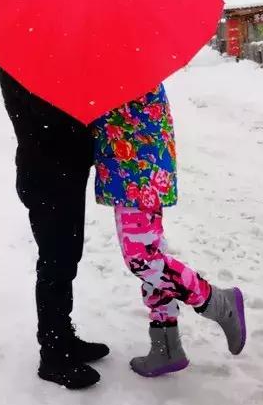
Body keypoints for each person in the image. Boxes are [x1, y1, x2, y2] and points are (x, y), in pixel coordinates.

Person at [92, 82, 246, 376]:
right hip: (130, 170)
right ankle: (166, 346)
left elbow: (121, 115)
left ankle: (218, 302)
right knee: (151, 255)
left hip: (138, 171)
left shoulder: (124, 68)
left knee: (143, 259)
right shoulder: (124, 63)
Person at [0, 67, 109, 389]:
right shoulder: (24, 66)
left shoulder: (41, 62)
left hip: (60, 173)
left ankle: (62, 335)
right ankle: (53, 353)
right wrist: (88, 112)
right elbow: (54, 123)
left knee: (66, 258)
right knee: (56, 262)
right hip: (48, 175)